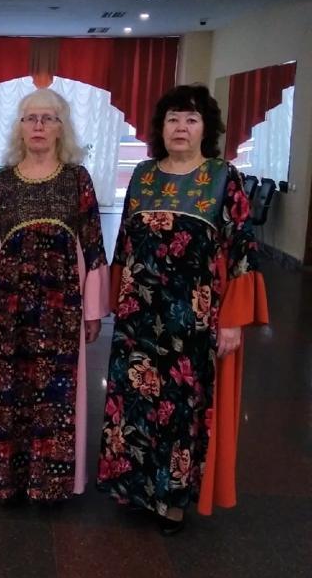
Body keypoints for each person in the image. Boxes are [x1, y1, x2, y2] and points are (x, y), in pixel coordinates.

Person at [97, 84, 269, 533]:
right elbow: (126, 241)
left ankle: (171, 500)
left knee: (179, 410)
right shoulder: (142, 175)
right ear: (161, 127)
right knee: (134, 403)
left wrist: (233, 321)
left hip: (190, 320)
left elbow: (243, 249)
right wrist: (115, 298)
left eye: (191, 119)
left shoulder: (222, 177)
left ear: (205, 129)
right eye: (173, 118)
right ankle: (134, 488)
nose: (181, 127)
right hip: (138, 317)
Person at [0, 89, 109, 504]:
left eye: (48, 118)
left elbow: (93, 243)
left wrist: (94, 311)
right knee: (6, 391)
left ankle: (52, 483)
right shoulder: (4, 181)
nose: (39, 126)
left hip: (61, 309)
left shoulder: (77, 178)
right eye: (31, 118)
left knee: (56, 393)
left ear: (62, 128)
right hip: (6, 307)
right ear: (20, 128)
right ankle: (6, 480)